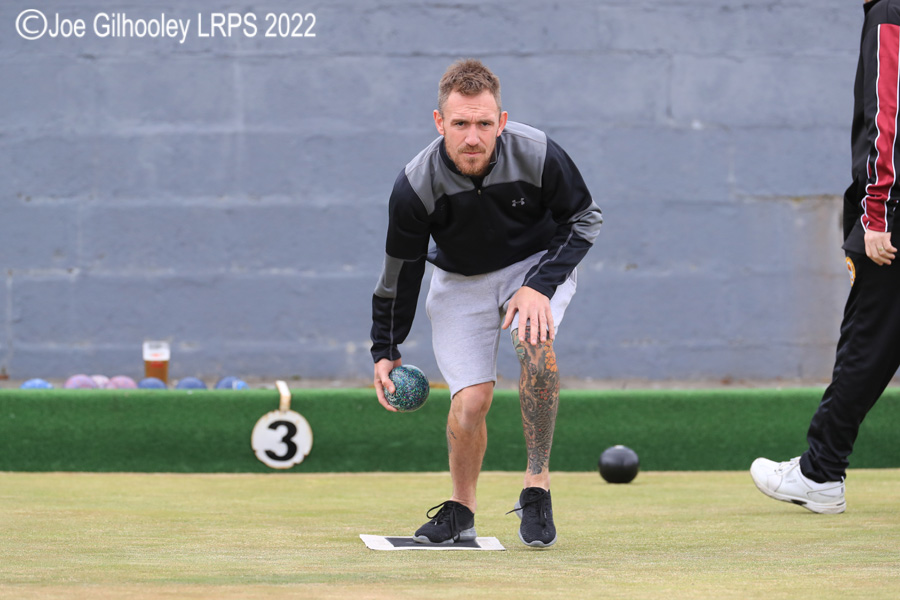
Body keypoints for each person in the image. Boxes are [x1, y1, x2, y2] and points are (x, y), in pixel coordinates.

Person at [370, 59, 602, 547]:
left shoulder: (538, 153)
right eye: (460, 124)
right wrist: (385, 348)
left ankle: (536, 487)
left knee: (534, 346)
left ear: (500, 120)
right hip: (460, 280)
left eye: (482, 123)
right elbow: (401, 270)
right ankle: (460, 509)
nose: (472, 137)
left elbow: (584, 220)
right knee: (472, 401)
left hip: (534, 267)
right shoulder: (414, 185)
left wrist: (539, 285)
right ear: (440, 123)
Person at [750, 0, 899, 514]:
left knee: (869, 342)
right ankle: (821, 468)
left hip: (893, 213)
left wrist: (876, 210)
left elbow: (888, 108)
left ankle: (820, 471)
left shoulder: (890, 10)